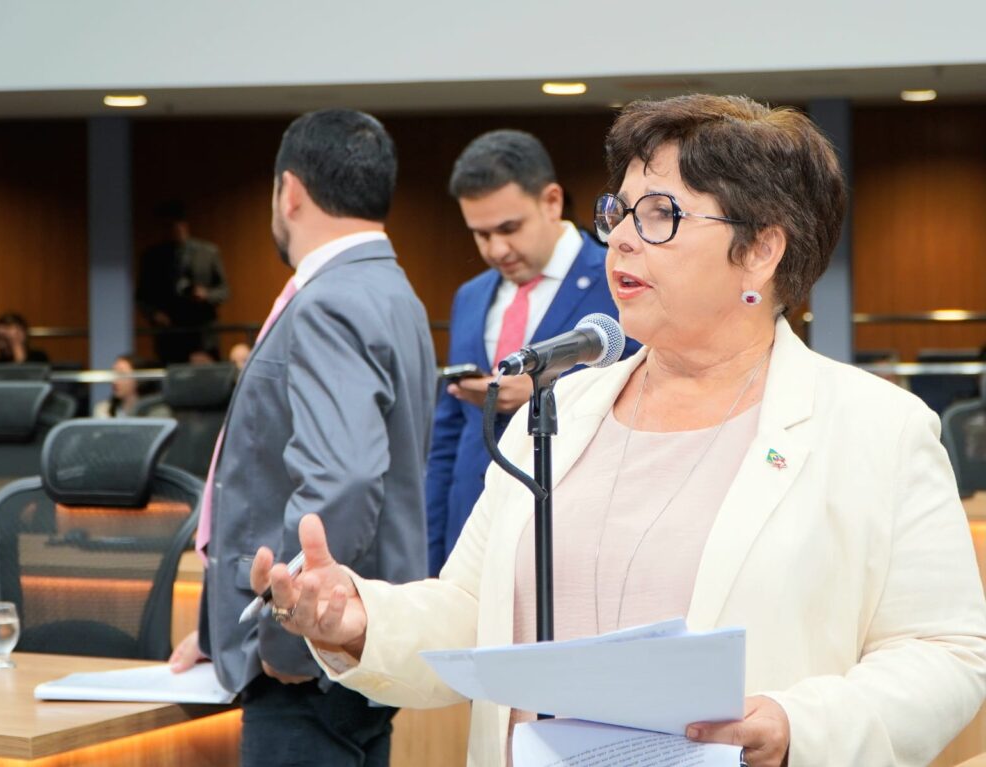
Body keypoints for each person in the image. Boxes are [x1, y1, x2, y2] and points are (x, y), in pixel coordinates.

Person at [250, 95, 986, 767]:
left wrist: (800, 724)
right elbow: (474, 612)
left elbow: (948, 652)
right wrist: (360, 619)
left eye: (661, 215)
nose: (623, 240)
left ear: (762, 250)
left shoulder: (876, 429)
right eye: (620, 212)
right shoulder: (560, 412)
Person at [168, 109, 436, 767]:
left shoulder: (330, 299)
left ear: (289, 190)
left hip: (308, 663)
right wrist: (226, 633)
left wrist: (288, 636)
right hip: (356, 645)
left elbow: (342, 479)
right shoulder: (392, 288)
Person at [426, 130, 639, 576]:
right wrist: (433, 552)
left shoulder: (620, 280)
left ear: (551, 201)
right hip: (469, 532)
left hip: (569, 531)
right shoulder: (471, 296)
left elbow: (645, 390)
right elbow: (447, 437)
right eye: (480, 234)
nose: (496, 249)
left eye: (509, 229)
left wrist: (543, 393)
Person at [135, 201, 229, 365]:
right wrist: (155, 314)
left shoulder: (208, 253)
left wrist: (206, 295)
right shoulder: (152, 257)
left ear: (185, 224)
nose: (173, 229)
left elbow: (224, 291)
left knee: (206, 375)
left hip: (202, 333)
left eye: (176, 224)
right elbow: (141, 297)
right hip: (169, 335)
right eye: (167, 225)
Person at [92, 353, 167, 418]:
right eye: (114, 373)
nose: (114, 380)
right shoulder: (103, 410)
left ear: (139, 378)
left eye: (121, 374)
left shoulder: (157, 411)